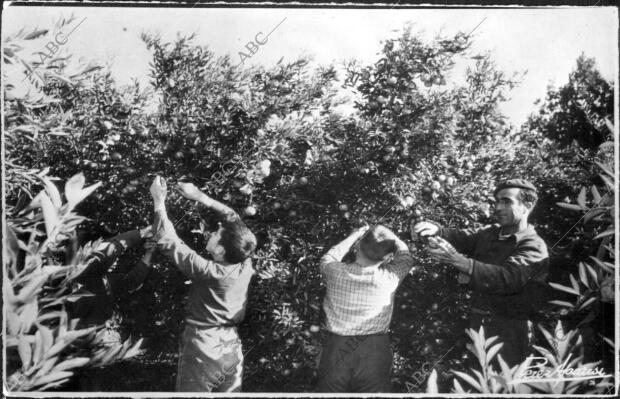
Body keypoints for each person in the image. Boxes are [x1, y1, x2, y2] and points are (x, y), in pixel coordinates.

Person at [412, 178, 549, 367]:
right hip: (477, 325)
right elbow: (463, 236)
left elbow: (507, 278)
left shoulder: (533, 246)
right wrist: (438, 231)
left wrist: (458, 260)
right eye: (497, 201)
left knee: (503, 388)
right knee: (475, 382)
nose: (498, 207)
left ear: (528, 205)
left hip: (509, 332)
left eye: (506, 201)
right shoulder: (490, 233)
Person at [149, 177, 257, 392]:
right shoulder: (245, 262)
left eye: (217, 234)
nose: (212, 232)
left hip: (204, 344)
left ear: (220, 250)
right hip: (231, 344)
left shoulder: (209, 272)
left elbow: (167, 240)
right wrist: (199, 197)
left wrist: (158, 201)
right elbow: (233, 218)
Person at [317, 224, 414, 393]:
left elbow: (330, 255)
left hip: (336, 348)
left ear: (358, 247)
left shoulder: (334, 271)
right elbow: (406, 256)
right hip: (374, 350)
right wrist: (393, 238)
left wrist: (356, 235)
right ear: (387, 257)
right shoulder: (391, 277)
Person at [68, 225, 155, 391]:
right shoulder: (84, 274)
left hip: (106, 345)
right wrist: (143, 233)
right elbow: (108, 252)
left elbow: (131, 281)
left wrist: (149, 253)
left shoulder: (103, 278)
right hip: (88, 345)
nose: (116, 259)